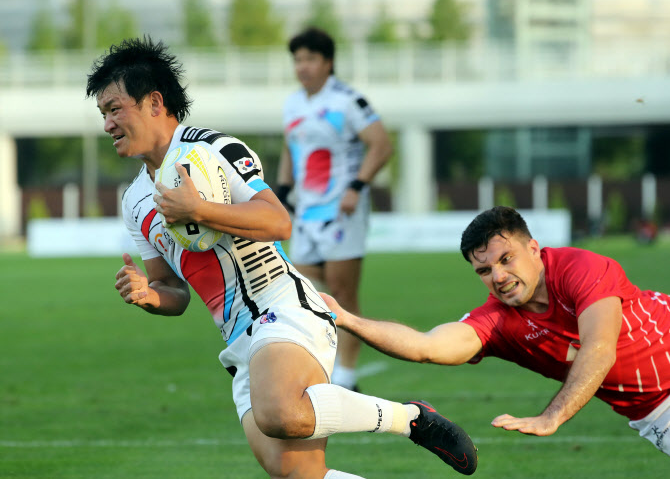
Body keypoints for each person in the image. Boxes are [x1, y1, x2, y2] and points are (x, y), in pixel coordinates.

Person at [86, 37, 478, 478]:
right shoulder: (134, 200)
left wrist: (199, 210)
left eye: (114, 108)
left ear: (154, 101)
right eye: (103, 113)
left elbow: (277, 221)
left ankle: (410, 418)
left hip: (283, 306)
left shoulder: (213, 149)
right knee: (297, 474)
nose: (107, 124)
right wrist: (148, 295)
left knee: (279, 414)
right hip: (236, 338)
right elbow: (173, 290)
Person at [322, 206, 670, 456]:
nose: (498, 277)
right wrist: (347, 319)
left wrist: (552, 416)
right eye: (484, 270)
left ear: (534, 249)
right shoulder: (497, 321)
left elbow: (599, 348)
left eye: (506, 259)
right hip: (653, 411)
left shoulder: (581, 268)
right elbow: (426, 346)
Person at [276, 27, 393, 391]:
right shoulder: (293, 104)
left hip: (342, 210)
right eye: (297, 59)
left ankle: (346, 375)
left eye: (310, 58)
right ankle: (334, 358)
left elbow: (382, 145)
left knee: (343, 293)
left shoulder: (348, 101)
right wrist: (281, 192)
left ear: (327, 62)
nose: (303, 66)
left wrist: (357, 186)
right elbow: (290, 150)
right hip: (306, 212)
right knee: (302, 282)